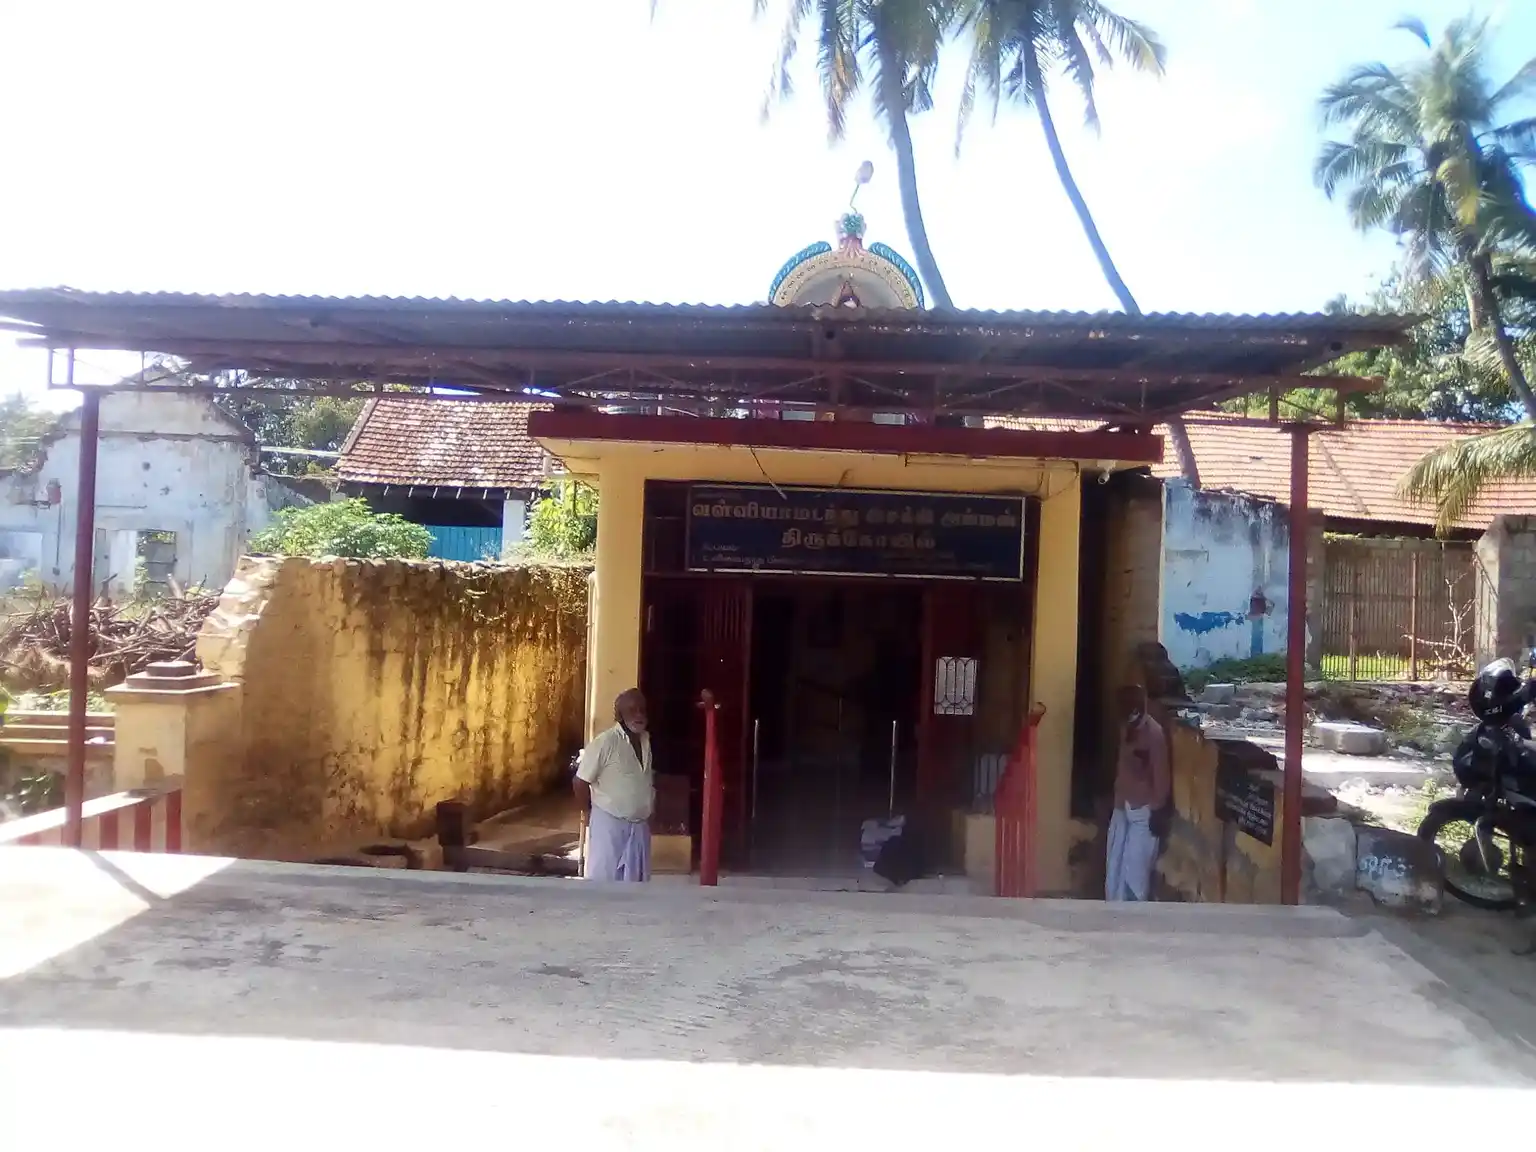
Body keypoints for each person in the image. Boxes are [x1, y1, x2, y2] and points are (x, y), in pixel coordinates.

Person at [574, 688, 654, 882]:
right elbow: (580, 781)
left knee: (637, 890)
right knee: (605, 883)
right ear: (620, 715)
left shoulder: (645, 740)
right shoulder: (606, 742)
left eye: (642, 709)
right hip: (610, 826)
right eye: (632, 710)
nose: (639, 715)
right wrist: (588, 812)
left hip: (639, 829)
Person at [1105, 684, 1169, 902]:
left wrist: (1158, 811)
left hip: (1144, 813)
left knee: (1135, 874)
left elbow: (1161, 778)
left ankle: (1130, 923)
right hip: (1122, 806)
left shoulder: (1154, 734)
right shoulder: (1126, 729)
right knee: (1114, 870)